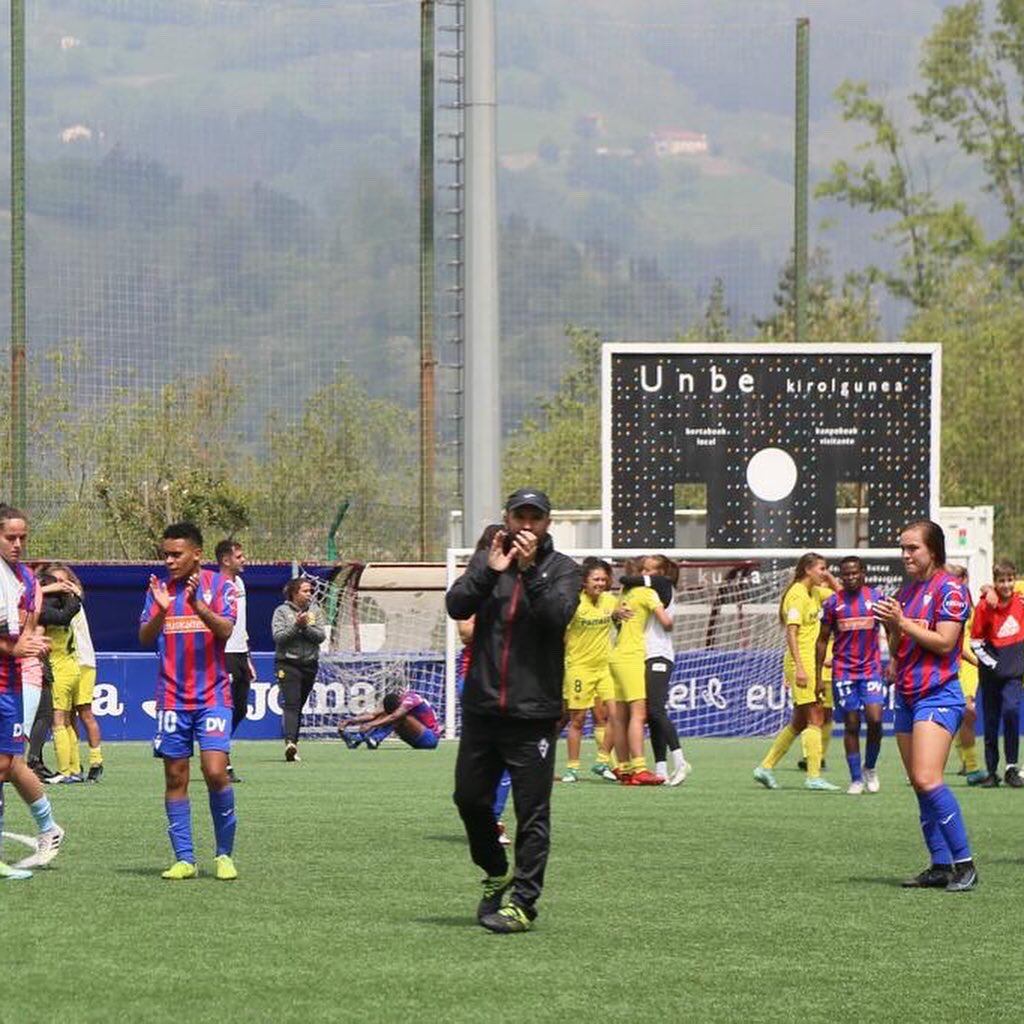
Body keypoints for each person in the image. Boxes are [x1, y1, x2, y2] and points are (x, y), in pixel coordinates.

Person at [446, 487, 579, 933]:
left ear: (546, 524)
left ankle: (523, 903)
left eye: (534, 518)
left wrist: (528, 572)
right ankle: (494, 868)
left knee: (532, 812)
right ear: (506, 518)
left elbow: (557, 617)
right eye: (519, 516)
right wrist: (491, 571)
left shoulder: (564, 570)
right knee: (469, 799)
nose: (526, 525)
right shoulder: (489, 560)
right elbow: (457, 604)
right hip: (483, 709)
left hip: (533, 715)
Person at [874, 519, 976, 891]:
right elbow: (902, 646)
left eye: (913, 548)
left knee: (928, 778)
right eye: (903, 548)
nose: (906, 555)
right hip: (907, 694)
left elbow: (947, 643)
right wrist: (891, 628)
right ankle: (939, 865)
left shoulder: (951, 589)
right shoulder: (906, 593)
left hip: (938, 694)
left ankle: (965, 865)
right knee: (919, 784)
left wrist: (902, 621)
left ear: (934, 549)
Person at [139, 522, 239, 881]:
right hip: (172, 698)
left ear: (197, 553)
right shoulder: (158, 591)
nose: (169, 560)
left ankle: (224, 855)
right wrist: (163, 611)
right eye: (165, 554)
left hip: (213, 695)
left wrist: (197, 606)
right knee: (175, 776)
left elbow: (226, 630)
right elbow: (144, 636)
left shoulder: (221, 586)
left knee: (214, 771)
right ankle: (185, 859)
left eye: (176, 554)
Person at [0, 504, 65, 878]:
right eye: (11, 537)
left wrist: (33, 643)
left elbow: (25, 632)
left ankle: (48, 827)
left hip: (14, 681)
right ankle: (49, 827)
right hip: (12, 673)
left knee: (8, 762)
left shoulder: (24, 579)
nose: (19, 544)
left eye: (23, 537)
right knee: (10, 763)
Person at [753, 552, 840, 791]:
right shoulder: (797, 595)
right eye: (822, 568)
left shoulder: (813, 593)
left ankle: (765, 767)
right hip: (802, 663)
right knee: (816, 717)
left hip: (811, 663)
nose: (825, 572)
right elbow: (791, 632)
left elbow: (841, 596)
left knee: (799, 721)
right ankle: (813, 776)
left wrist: (828, 576)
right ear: (808, 570)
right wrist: (800, 668)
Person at [456, 524, 512, 846]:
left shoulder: (520, 584)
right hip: (476, 678)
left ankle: (494, 819)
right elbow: (465, 632)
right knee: (482, 755)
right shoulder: (474, 583)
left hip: (512, 681)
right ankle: (479, 814)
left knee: (508, 753)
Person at [816, 556, 885, 795]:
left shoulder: (876, 598)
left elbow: (895, 630)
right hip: (843, 672)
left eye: (855, 573)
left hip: (871, 670)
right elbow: (822, 640)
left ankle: (871, 767)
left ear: (863, 573)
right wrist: (817, 677)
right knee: (852, 724)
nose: (851, 577)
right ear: (841, 576)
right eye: (846, 574)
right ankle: (856, 778)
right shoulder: (833, 603)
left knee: (876, 720)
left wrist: (895, 660)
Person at [608, 563, 673, 786]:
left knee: (619, 717)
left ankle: (624, 770)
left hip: (614, 655)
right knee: (639, 714)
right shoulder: (648, 592)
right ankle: (640, 768)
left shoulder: (623, 592)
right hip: (632, 656)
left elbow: (616, 619)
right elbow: (666, 623)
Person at [561, 557, 619, 784]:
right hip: (579, 668)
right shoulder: (573, 603)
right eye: (596, 579)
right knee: (578, 720)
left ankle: (602, 761)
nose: (601, 583)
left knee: (616, 715)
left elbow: (621, 621)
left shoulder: (610, 601)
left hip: (604, 668)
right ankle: (572, 768)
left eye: (604, 579)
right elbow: (562, 634)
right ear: (584, 582)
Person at [968, 559, 1024, 788]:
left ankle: (1011, 767)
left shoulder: (1021, 601)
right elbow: (976, 642)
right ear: (995, 581)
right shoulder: (984, 606)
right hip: (990, 674)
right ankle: (992, 771)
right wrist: (994, 665)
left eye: (1010, 580)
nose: (1006, 585)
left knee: (1011, 713)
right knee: (990, 722)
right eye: (1001, 581)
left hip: (1013, 675)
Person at [640, 554, 689, 786]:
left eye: (649, 570)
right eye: (644, 569)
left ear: (661, 572)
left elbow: (629, 580)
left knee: (657, 710)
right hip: (647, 655)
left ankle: (680, 761)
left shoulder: (663, 584)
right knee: (651, 714)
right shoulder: (653, 593)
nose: (644, 574)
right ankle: (660, 768)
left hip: (659, 655)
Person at [271, 577, 326, 763]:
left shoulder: (315, 611)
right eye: (305, 591)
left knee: (299, 705)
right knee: (292, 703)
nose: (309, 594)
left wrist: (304, 628)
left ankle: (292, 742)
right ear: (294, 593)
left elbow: (320, 636)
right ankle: (291, 744)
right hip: (287, 664)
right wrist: (296, 626)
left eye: (310, 591)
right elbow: (279, 638)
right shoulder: (282, 611)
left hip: (310, 664)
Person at [216, 539, 254, 783]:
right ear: (226, 560)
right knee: (225, 709)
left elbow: (241, 623)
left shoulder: (239, 583)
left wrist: (248, 655)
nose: (244, 560)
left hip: (240, 652)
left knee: (241, 708)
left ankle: (215, 747)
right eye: (239, 556)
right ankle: (222, 759)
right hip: (224, 652)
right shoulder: (215, 585)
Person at [946, 565, 985, 784]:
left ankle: (970, 766)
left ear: (964, 579)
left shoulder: (971, 606)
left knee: (966, 714)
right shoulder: (949, 603)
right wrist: (978, 661)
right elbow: (954, 643)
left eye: (957, 578)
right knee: (962, 713)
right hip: (957, 665)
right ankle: (970, 766)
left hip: (970, 670)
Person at [339, 689, 440, 749]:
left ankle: (374, 739)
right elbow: (372, 715)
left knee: (399, 717)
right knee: (386, 717)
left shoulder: (411, 700)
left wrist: (371, 725)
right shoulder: (398, 702)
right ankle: (357, 740)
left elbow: (394, 716)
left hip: (430, 739)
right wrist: (350, 721)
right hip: (415, 739)